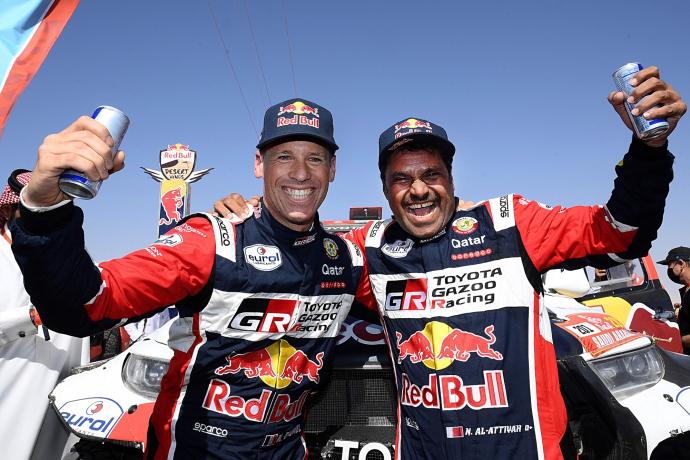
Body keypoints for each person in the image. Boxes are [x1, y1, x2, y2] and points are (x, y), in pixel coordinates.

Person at [218, 65, 685, 459]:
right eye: (401, 179)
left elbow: (622, 232)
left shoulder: (510, 223)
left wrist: (649, 151)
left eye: (430, 175)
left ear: (450, 177)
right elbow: (297, 267)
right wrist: (250, 221)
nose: (418, 189)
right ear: (385, 189)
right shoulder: (370, 249)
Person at [10, 99, 372, 459]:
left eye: (315, 158)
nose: (300, 173)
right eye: (284, 157)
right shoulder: (210, 241)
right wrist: (45, 210)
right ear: (258, 164)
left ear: (333, 169)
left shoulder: (348, 258)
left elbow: (417, 280)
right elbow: (85, 305)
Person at [0, 169, 88, 460]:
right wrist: (30, 318)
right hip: (13, 391)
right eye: (40, 203)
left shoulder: (72, 255)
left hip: (62, 398)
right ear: (14, 207)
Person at [657, 246, 690, 354]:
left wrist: (676, 339)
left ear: (681, 264)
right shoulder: (687, 290)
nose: (669, 269)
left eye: (670, 265)